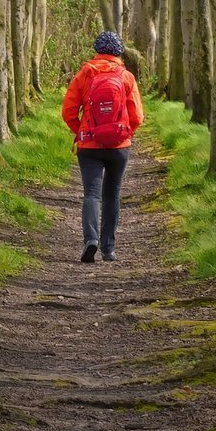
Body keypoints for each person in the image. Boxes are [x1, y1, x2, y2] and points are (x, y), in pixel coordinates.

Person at [61, 32, 144, 263]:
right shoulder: (126, 77)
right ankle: (109, 249)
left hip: (89, 145)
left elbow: (67, 111)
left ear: (96, 51)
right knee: (112, 195)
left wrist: (81, 130)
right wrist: (125, 133)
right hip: (119, 146)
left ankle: (91, 240)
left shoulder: (85, 74)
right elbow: (137, 115)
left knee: (91, 194)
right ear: (118, 53)